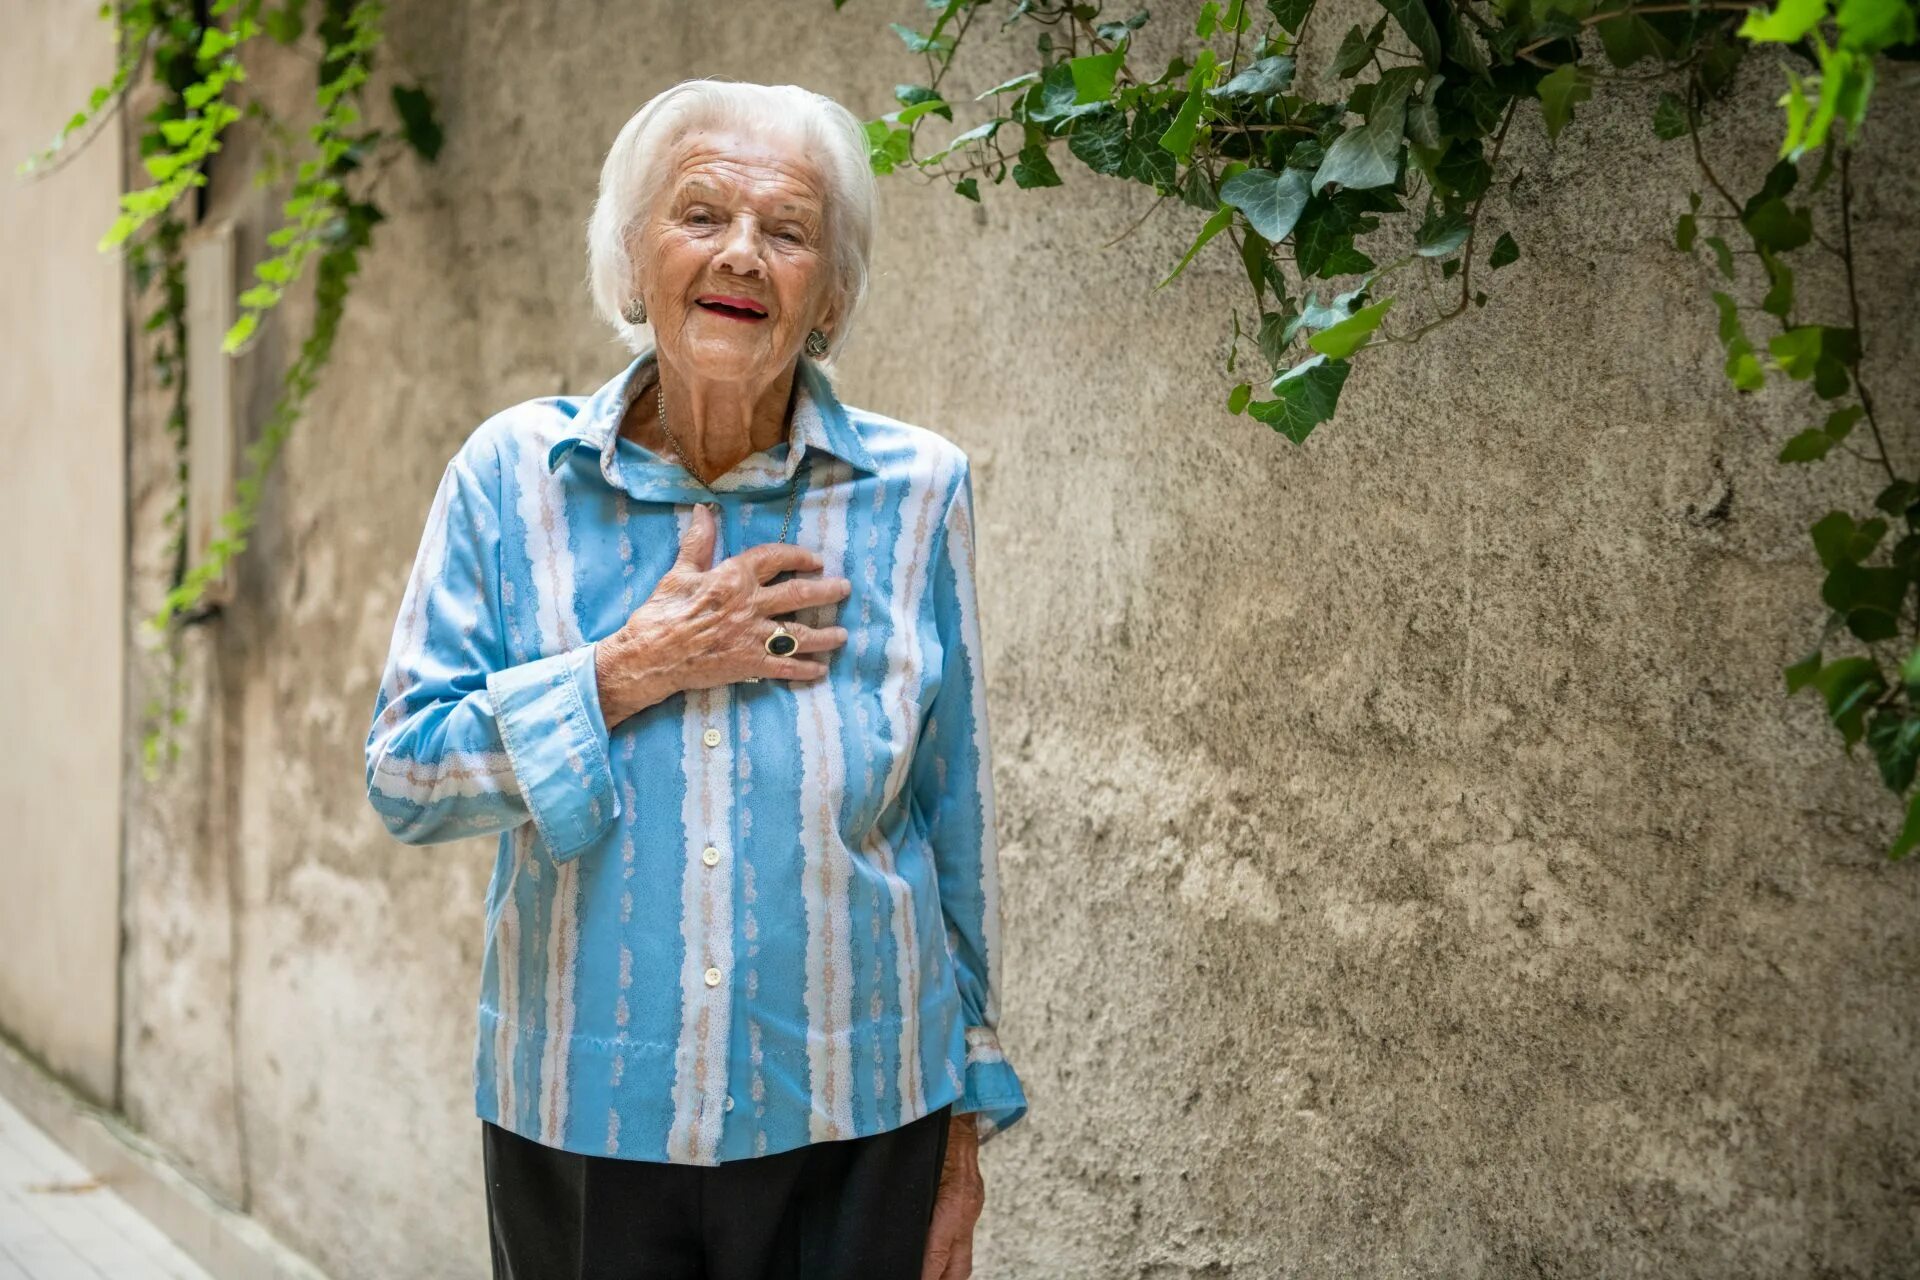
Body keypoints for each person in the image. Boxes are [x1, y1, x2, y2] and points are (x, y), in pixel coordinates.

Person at [362, 77, 1027, 1280]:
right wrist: (626, 670)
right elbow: (406, 774)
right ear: (631, 263)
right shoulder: (512, 476)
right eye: (702, 213)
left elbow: (952, 825)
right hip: (585, 1120)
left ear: (830, 297)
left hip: (861, 1115)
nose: (742, 255)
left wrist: (961, 1136)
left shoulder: (920, 491)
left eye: (787, 232)